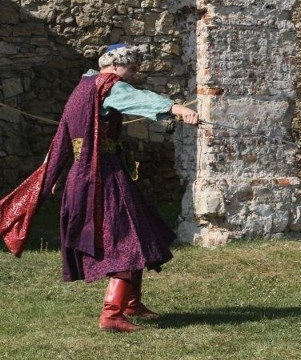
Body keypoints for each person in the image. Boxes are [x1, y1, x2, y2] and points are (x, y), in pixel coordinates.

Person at [0, 43, 199, 332]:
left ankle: (131, 303)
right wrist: (176, 108)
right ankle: (112, 313)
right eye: (130, 67)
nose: (133, 73)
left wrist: (53, 173)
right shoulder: (108, 84)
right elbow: (136, 99)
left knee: (140, 229)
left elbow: (63, 136)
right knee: (125, 237)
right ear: (115, 65)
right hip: (102, 175)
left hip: (87, 173)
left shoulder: (82, 86)